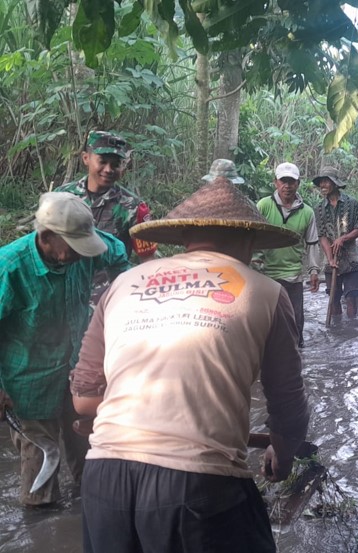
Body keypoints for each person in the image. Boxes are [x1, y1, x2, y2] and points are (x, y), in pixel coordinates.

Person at [69, 177, 310, 553]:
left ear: (185, 237)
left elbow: (84, 399)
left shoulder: (123, 283)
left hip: (104, 477)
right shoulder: (267, 291)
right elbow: (289, 408)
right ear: (248, 240)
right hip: (199, 483)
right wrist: (282, 454)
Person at [0, 192, 129, 507]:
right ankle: (41, 523)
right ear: (46, 237)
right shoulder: (9, 267)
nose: (82, 254)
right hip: (26, 383)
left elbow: (118, 254)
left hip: (77, 374)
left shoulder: (84, 249)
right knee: (40, 469)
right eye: (74, 247)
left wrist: (120, 299)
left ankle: (91, 509)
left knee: (89, 453)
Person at [56, 130, 157, 303]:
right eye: (102, 162)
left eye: (116, 164)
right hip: (64, 293)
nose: (108, 170)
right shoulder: (63, 197)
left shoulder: (133, 206)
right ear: (86, 158)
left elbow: (147, 258)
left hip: (109, 298)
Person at [256, 162, 320, 348]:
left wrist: (314, 271)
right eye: (283, 181)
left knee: (295, 322)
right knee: (266, 324)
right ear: (276, 182)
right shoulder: (263, 206)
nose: (287, 186)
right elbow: (252, 237)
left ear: (298, 184)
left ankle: (297, 360)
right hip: (265, 275)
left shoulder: (307, 212)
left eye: (291, 181)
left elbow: (312, 243)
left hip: (294, 276)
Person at [313, 166, 358, 318]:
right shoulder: (319, 209)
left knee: (351, 299)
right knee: (334, 300)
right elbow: (321, 236)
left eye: (326, 181)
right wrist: (329, 258)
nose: (322, 185)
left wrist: (343, 238)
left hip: (350, 260)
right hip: (331, 261)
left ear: (334, 183)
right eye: (321, 182)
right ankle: (337, 333)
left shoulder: (352, 203)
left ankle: (351, 334)